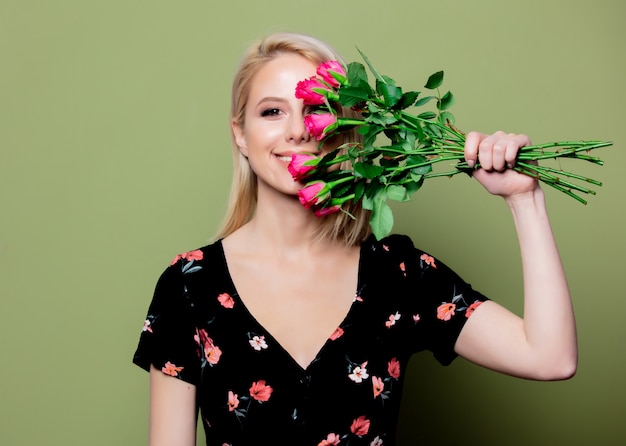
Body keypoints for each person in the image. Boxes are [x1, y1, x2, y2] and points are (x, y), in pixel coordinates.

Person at [133, 32, 577, 446]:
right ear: (240, 134)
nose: (298, 130)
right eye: (272, 111)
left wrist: (524, 199)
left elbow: (550, 358)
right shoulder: (189, 285)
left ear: (342, 128)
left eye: (315, 108)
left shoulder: (399, 274)